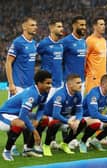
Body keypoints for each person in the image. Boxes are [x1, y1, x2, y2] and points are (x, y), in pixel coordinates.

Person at [0, 70, 52, 161]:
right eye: (47, 83)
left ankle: (28, 149)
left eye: (50, 83)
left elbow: (42, 108)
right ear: (39, 83)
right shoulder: (31, 94)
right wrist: (35, 132)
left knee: (44, 119)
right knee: (21, 123)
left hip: (18, 115)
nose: (50, 85)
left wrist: (37, 119)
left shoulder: (44, 92)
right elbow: (23, 116)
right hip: (5, 115)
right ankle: (7, 151)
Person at [5, 16, 38, 155]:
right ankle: (11, 146)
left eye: (35, 25)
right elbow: (8, 63)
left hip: (29, 87)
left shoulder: (34, 43)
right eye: (32, 25)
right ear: (24, 27)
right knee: (14, 118)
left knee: (27, 116)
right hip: (17, 86)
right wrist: (12, 84)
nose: (35, 27)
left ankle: (26, 147)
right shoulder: (18, 42)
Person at [82, 74, 107, 151]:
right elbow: (93, 113)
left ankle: (96, 141)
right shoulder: (94, 93)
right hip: (84, 117)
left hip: (95, 117)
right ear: (103, 85)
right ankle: (83, 141)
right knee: (97, 122)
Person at [37, 18, 64, 100]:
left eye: (62, 26)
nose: (61, 28)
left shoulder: (61, 45)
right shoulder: (44, 43)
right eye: (59, 26)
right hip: (48, 84)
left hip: (59, 83)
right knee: (45, 109)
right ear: (51, 28)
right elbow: (33, 55)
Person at [60, 15, 86, 95]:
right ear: (74, 25)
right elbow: (58, 60)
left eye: (85, 25)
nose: (84, 27)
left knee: (79, 106)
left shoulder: (83, 42)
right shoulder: (65, 41)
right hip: (69, 82)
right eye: (81, 25)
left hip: (81, 81)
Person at [85, 16, 107, 93]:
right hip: (93, 79)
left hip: (103, 79)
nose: (103, 26)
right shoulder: (89, 40)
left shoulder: (104, 41)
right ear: (94, 26)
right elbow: (84, 59)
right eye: (101, 24)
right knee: (91, 102)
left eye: (104, 24)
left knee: (101, 104)